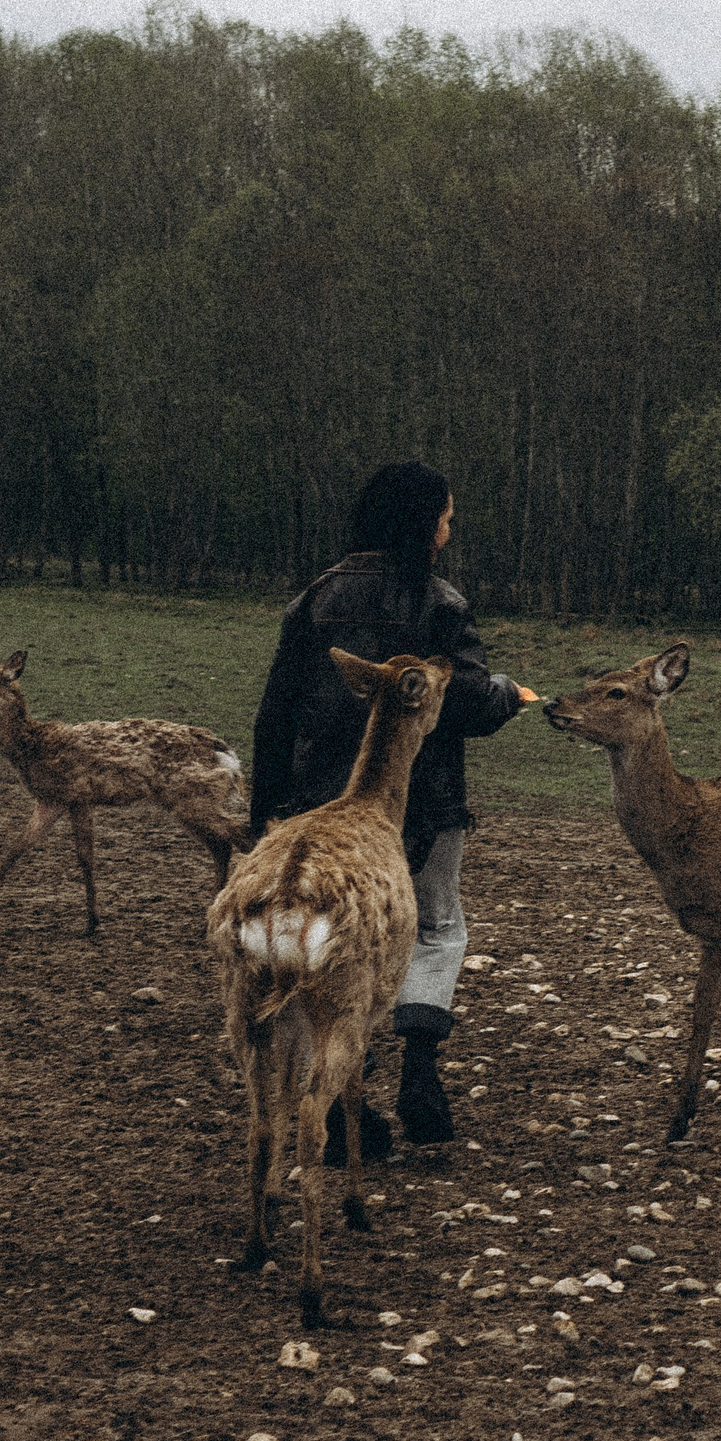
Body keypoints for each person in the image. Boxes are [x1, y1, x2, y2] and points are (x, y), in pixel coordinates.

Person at [249, 460, 528, 1153]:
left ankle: (349, 1100)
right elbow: (461, 698)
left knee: (335, 949)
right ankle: (422, 1074)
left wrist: (264, 812)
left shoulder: (316, 598)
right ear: (423, 521)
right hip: (424, 807)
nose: (448, 529)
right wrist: (505, 694)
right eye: (446, 517)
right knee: (435, 927)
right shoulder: (439, 602)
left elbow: (274, 713)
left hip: (324, 810)